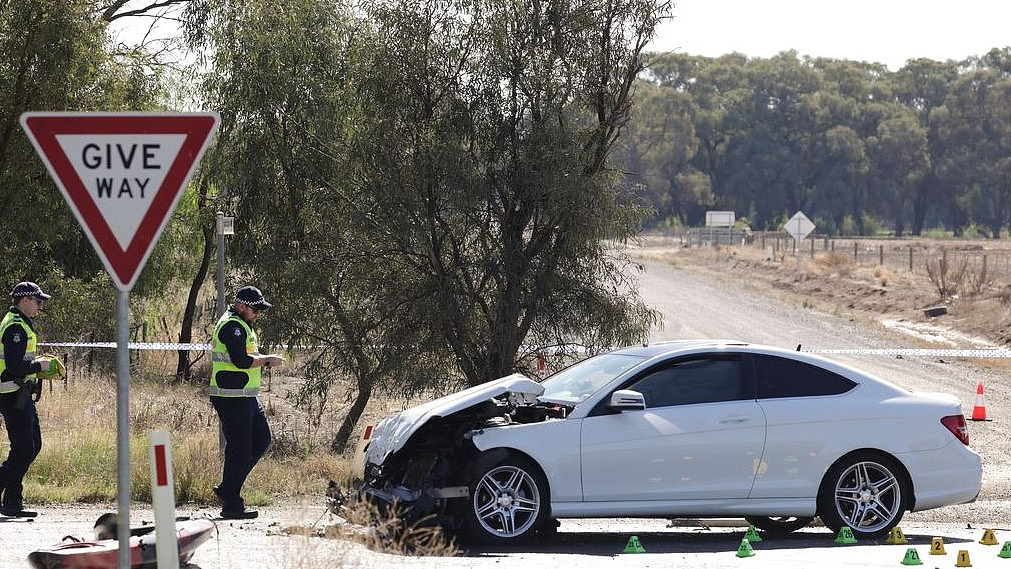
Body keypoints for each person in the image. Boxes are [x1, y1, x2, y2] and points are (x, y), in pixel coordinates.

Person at [209, 285, 285, 519]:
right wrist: (267, 360)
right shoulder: (232, 326)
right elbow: (241, 361)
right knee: (240, 448)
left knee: (261, 440)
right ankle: (231, 504)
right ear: (241, 305)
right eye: (255, 310)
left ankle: (227, 488)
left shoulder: (243, 325)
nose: (258, 314)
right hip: (230, 396)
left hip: (245, 395)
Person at [0, 282, 53, 518]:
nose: (39, 306)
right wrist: (38, 365)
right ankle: (12, 502)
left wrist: (36, 367)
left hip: (21, 394)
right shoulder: (15, 328)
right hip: (12, 394)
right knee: (24, 448)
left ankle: (12, 501)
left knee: (32, 446)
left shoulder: (21, 324)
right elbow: (14, 366)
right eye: (37, 301)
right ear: (24, 300)